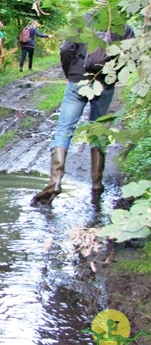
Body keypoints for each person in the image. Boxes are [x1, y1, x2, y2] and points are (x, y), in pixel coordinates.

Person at [31, 16, 135, 206]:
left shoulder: (83, 22)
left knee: (64, 129)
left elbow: (65, 50)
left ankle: (54, 182)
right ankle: (96, 184)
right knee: (98, 129)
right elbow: (130, 58)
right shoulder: (124, 27)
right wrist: (113, 77)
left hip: (77, 79)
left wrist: (70, 73)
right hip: (105, 82)